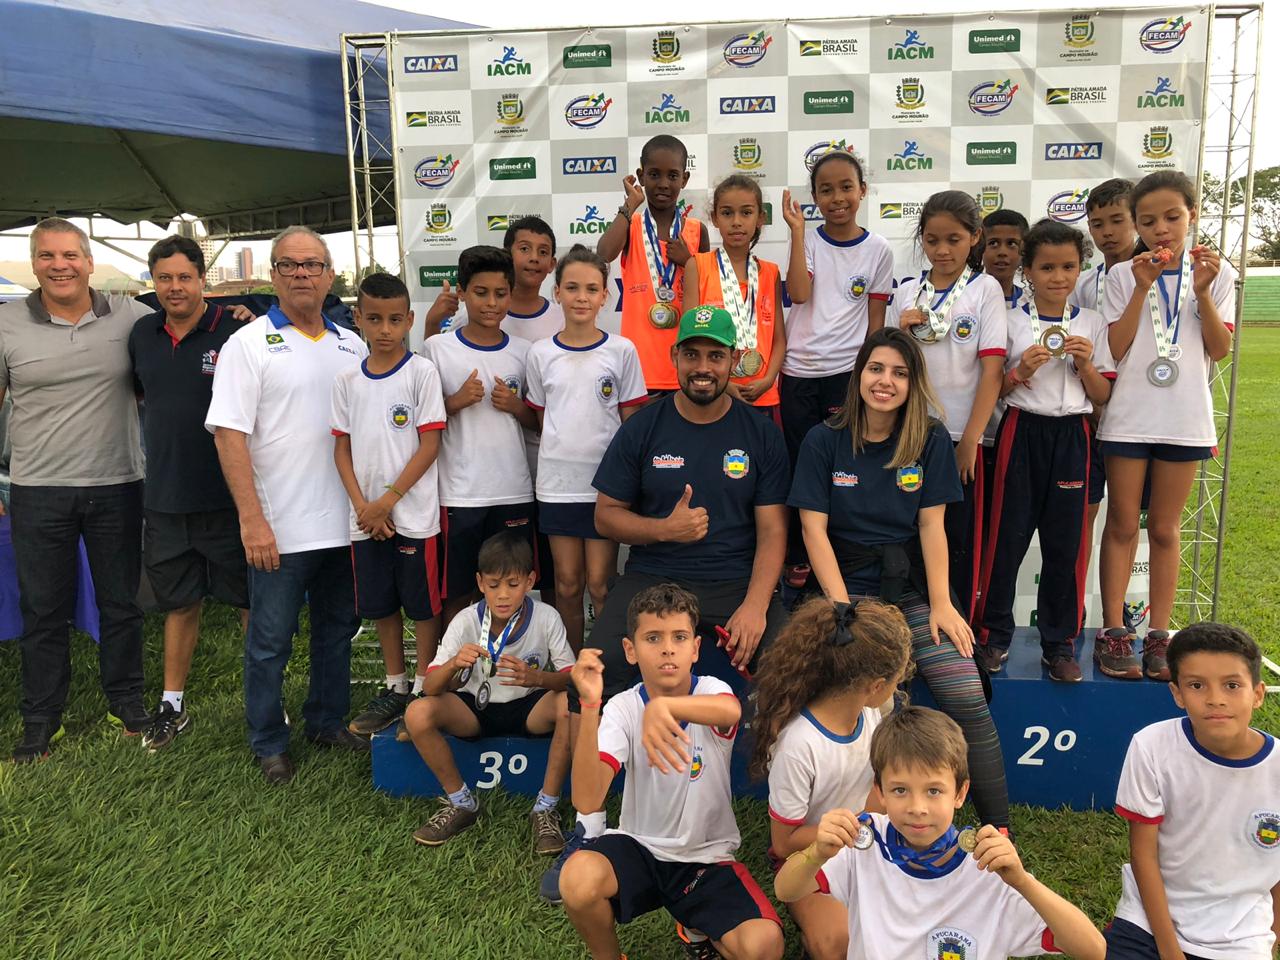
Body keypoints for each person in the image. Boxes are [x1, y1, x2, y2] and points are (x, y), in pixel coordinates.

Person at [542, 305, 790, 897]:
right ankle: (587, 827)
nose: (703, 366)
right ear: (675, 357)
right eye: (692, 354)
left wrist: (757, 606)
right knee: (594, 672)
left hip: (735, 584)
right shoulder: (645, 427)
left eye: (715, 356)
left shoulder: (759, 431)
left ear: (734, 361)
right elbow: (606, 516)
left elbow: (774, 531)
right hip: (653, 579)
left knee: (797, 672)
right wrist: (665, 530)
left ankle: (792, 830)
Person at [787, 326, 1009, 829]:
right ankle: (868, 827)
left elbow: (932, 527)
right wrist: (843, 612)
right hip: (844, 590)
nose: (885, 381)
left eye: (899, 373)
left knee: (966, 693)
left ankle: (999, 830)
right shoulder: (824, 440)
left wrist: (941, 604)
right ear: (858, 375)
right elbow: (812, 530)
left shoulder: (929, 438)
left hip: (908, 589)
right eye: (876, 369)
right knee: (870, 698)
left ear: (913, 383)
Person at [206, 225, 370, 784]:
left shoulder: (353, 344)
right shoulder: (248, 344)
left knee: (336, 632)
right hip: (279, 527)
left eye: (312, 264)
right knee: (270, 642)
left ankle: (326, 720)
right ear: (273, 275)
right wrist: (252, 520)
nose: (302, 273)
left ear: (330, 275)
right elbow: (229, 436)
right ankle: (269, 741)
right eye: (289, 265)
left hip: (345, 524)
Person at [558, 584, 785, 960]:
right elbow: (586, 799)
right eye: (653, 638)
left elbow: (730, 711)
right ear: (630, 650)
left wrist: (665, 709)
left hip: (705, 858)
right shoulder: (623, 707)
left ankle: (696, 927)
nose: (667, 648)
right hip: (640, 849)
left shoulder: (711, 689)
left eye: (679, 637)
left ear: (695, 649)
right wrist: (590, 705)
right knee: (577, 879)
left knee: (764, 946)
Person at [775, 706, 1106, 960]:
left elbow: (1092, 949)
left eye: (934, 791)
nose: (917, 807)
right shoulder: (865, 842)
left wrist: (1022, 881)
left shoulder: (988, 869)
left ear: (960, 793)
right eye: (900, 790)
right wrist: (817, 853)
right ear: (880, 791)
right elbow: (786, 890)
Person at [0, 217, 153, 762]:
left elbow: (188, 328)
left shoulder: (132, 316)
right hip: (37, 488)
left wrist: (237, 316)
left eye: (69, 255)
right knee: (43, 609)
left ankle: (127, 701)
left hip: (118, 483)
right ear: (33, 265)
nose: (59, 265)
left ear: (89, 262)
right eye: (47, 256)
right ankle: (41, 719)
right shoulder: (6, 323)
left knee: (121, 602)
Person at [1097, 171, 1235, 681]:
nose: (1161, 229)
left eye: (1172, 217)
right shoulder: (1122, 275)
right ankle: (1114, 631)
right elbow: (1116, 348)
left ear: (1191, 216)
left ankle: (1158, 635)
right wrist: (1140, 289)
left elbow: (1220, 349)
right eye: (1148, 220)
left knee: (1164, 528)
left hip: (1184, 419)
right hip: (1129, 418)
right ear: (1136, 224)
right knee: (1121, 524)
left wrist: (1203, 293)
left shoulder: (1217, 272)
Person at [975, 220, 1115, 682]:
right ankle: (993, 637)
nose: (1058, 276)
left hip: (1073, 435)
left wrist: (1085, 364)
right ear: (1028, 271)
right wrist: (1019, 372)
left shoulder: (1092, 322)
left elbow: (1102, 397)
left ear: (1080, 269)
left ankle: (1059, 645)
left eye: (1068, 267)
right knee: (1006, 539)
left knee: (1065, 545)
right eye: (1047, 267)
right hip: (1021, 431)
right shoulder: (1011, 321)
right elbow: (994, 389)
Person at [128, 234, 250, 751]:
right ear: (153, 282)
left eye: (184, 277)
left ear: (203, 279)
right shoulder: (142, 333)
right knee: (180, 605)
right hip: (167, 497)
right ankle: (172, 705)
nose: (174, 287)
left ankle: (265, 701)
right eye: (164, 278)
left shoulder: (238, 330)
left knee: (251, 604)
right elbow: (142, 394)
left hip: (231, 498)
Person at [749, 597, 912, 960]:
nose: (898, 687)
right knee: (839, 942)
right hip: (809, 858)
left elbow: (874, 790)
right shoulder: (799, 745)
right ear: (874, 686)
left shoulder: (870, 716)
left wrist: (878, 825)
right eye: (895, 680)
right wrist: (845, 832)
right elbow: (784, 843)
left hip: (861, 841)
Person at [1104, 622, 1277, 959]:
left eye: (1232, 685)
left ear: (1258, 694)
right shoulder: (1151, 746)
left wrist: (1266, 941)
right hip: (1148, 923)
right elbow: (1143, 856)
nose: (1215, 699)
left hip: (1240, 938)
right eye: (1197, 685)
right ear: (1177, 693)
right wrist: (1170, 951)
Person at [424, 216, 564, 620]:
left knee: (513, 588)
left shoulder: (525, 352)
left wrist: (516, 406)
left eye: (500, 294)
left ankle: (511, 658)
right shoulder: (438, 348)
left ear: (510, 293)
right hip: (459, 494)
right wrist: (455, 402)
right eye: (480, 293)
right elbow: (421, 419)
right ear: (462, 293)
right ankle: (456, 658)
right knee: (459, 592)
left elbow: (540, 422)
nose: (491, 303)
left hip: (514, 490)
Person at [404, 531, 574, 853]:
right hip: (474, 708)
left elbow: (572, 679)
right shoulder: (465, 620)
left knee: (568, 704)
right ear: (480, 583)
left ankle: (545, 808)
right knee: (417, 713)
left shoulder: (546, 616)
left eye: (513, 584)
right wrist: (453, 664)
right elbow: (430, 687)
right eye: (494, 585)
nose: (503, 595)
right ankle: (461, 802)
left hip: (529, 706)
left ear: (530, 581)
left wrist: (537, 678)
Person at [331, 272, 445, 736]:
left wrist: (388, 502)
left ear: (409, 320)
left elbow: (429, 445)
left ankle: (423, 688)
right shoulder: (346, 380)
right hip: (365, 519)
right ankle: (395, 686)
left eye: (395, 320)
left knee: (422, 606)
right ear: (357, 318)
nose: (384, 329)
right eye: (374, 319)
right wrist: (365, 506)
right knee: (381, 605)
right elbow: (341, 449)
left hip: (414, 517)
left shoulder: (422, 373)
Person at [889, 190, 1006, 622]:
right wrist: (901, 333)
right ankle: (906, 626)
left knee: (958, 540)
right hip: (907, 434)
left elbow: (992, 372)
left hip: (958, 435)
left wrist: (971, 440)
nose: (942, 250)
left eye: (953, 240)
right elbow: (885, 367)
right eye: (932, 240)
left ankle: (961, 627)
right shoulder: (907, 292)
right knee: (904, 536)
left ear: (974, 237)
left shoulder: (985, 289)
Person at [779, 151, 894, 587]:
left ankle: (841, 556)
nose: (837, 197)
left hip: (846, 375)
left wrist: (869, 376)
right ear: (815, 197)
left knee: (844, 467)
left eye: (846, 187)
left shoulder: (879, 249)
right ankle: (798, 554)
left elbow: (876, 323)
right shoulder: (807, 240)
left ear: (862, 190)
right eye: (826, 190)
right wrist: (797, 234)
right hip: (798, 372)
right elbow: (799, 294)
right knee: (799, 466)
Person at [525, 246, 647, 651]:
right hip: (557, 487)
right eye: (573, 287)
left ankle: (607, 667)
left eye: (592, 289)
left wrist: (629, 484)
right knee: (566, 583)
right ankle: (572, 670)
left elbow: (631, 424)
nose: (581, 297)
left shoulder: (622, 350)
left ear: (604, 296)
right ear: (557, 292)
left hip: (604, 489)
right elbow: (542, 420)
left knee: (600, 583)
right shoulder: (541, 353)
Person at [1071, 178, 1142, 612]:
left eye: (1117, 220)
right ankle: (1076, 612)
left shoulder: (1158, 276)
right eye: (1097, 224)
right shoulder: (1083, 284)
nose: (1108, 232)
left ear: (1136, 220)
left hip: (1140, 416)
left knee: (1126, 522)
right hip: (1094, 417)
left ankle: (1116, 618)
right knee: (1085, 518)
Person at [597, 134, 710, 394]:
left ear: (685, 179)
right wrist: (630, 204)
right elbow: (604, 254)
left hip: (684, 366)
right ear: (641, 175)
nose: (663, 184)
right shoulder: (631, 225)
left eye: (673, 175)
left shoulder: (696, 231)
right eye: (654, 174)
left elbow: (708, 289)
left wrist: (689, 262)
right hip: (639, 367)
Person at [683, 175, 786, 415]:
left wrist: (768, 379)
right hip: (714, 392)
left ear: (761, 218)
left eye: (746, 213)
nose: (737, 222)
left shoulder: (770, 272)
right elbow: (689, 336)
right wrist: (725, 385)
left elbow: (779, 339)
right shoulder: (697, 266)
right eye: (727, 213)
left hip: (762, 394)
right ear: (714, 218)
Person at [424, 215, 563, 341]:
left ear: (552, 264)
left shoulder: (562, 318)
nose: (534, 258)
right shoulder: (474, 314)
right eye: (524, 249)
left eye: (543, 252)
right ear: (507, 255)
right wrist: (432, 323)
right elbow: (439, 354)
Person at [981, 209, 1030, 309]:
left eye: (1011, 243)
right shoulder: (966, 298)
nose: (1002, 252)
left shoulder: (1032, 303)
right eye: (993, 243)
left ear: (1024, 249)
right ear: (980, 247)